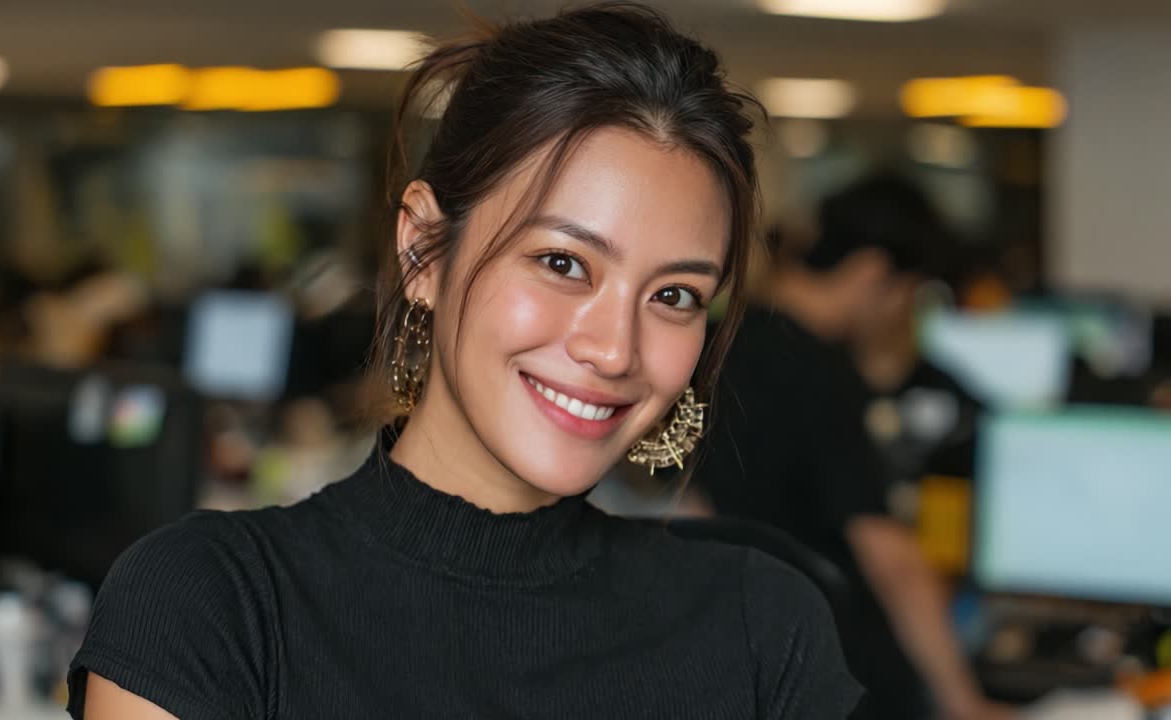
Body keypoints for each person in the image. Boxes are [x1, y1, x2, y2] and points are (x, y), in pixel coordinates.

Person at [67, 4, 862, 719]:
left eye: (676, 296)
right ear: (423, 251)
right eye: (562, 264)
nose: (615, 348)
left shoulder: (761, 626)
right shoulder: (215, 603)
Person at [696, 175, 1014, 719]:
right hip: (836, 670)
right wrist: (964, 704)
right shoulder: (822, 371)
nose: (903, 316)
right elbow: (889, 558)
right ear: (871, 273)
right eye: (909, 294)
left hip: (743, 654)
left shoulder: (716, 342)